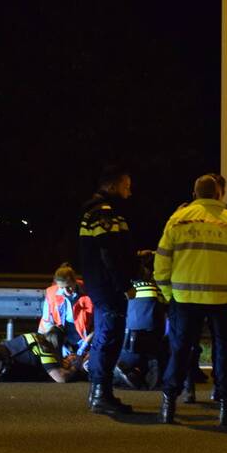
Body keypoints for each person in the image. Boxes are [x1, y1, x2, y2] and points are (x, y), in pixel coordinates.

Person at [155, 174, 227, 426]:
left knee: (180, 350)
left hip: (185, 299)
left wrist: (168, 293)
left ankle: (168, 406)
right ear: (217, 194)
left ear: (194, 194)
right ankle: (226, 409)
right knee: (223, 353)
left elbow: (162, 261)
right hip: (221, 300)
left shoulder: (177, 220)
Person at [79, 167, 141, 414]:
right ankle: (100, 395)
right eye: (126, 187)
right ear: (112, 186)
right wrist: (124, 284)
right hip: (108, 287)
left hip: (102, 285)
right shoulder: (104, 212)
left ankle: (99, 392)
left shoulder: (98, 211)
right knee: (109, 338)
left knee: (106, 336)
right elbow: (109, 252)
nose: (129, 192)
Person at [114, 251, 168, 390]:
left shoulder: (126, 288)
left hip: (128, 342)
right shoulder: (156, 288)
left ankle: (128, 371)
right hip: (151, 340)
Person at [37, 262, 94, 357]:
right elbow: (47, 322)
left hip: (85, 339)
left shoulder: (89, 292)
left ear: (75, 281)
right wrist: (60, 345)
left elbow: (97, 324)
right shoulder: (51, 293)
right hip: (61, 339)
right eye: (61, 288)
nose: (66, 291)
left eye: (69, 287)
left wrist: (85, 344)